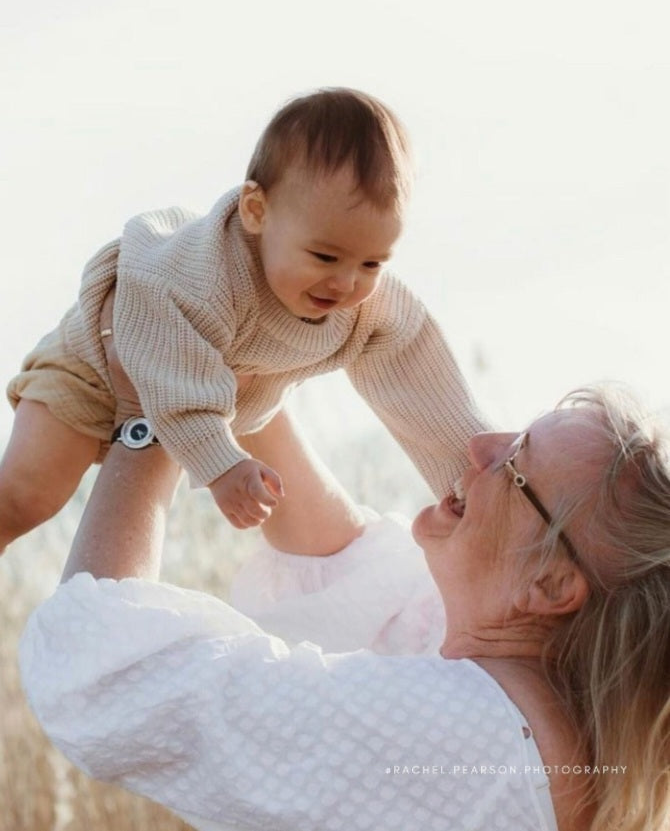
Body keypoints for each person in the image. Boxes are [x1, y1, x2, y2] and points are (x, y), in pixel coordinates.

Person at [19, 322, 670, 830]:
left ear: (553, 587)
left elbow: (98, 673)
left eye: (517, 460)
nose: (479, 446)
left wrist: (154, 410)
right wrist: (236, 352)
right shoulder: (545, 711)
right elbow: (347, 567)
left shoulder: (467, 741)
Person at [0, 87, 484, 554]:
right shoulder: (200, 276)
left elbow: (418, 372)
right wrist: (222, 465)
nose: (345, 283)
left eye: (372, 264)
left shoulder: (362, 305)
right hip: (91, 374)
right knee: (26, 498)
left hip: (217, 396)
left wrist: (475, 470)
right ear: (256, 211)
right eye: (324, 255)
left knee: (312, 526)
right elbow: (174, 372)